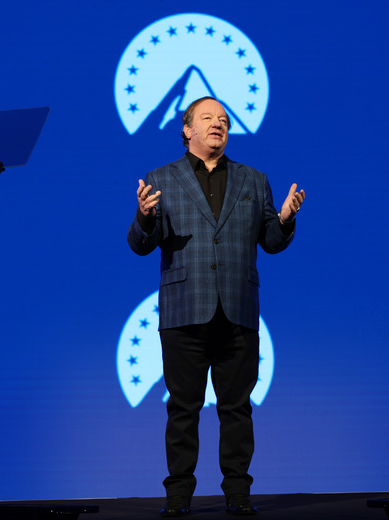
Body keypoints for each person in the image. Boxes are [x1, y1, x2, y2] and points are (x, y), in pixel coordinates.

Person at [127, 96, 305, 517]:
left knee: (237, 410)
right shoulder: (161, 178)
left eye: (224, 119)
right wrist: (145, 217)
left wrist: (283, 220)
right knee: (183, 409)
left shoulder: (253, 179)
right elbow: (139, 245)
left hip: (237, 310)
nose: (218, 124)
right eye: (208, 118)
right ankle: (178, 498)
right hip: (184, 310)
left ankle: (238, 495)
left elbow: (271, 243)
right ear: (187, 129)